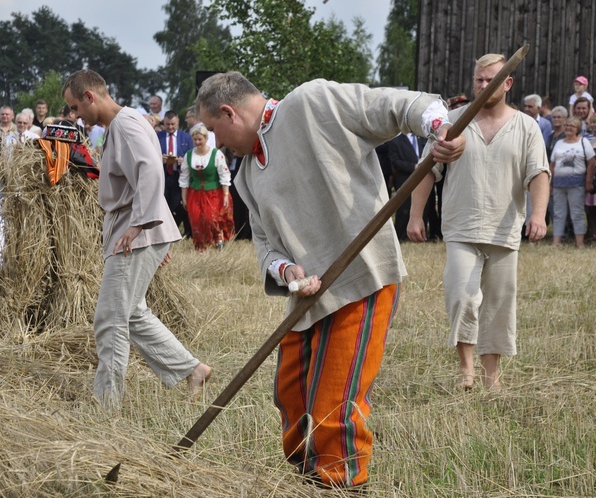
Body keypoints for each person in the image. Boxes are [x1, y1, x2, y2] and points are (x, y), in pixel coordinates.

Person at [196, 71, 465, 489]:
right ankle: (306, 476)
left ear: (229, 112)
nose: (217, 142)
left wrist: (440, 129)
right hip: (307, 297)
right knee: (290, 394)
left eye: (215, 130)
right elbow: (266, 245)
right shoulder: (247, 174)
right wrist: (287, 271)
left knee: (334, 402)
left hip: (361, 275)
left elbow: (398, 105)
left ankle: (340, 484)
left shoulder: (311, 103)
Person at [61, 69, 211, 409]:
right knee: (131, 313)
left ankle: (106, 406)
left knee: (110, 318)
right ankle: (192, 370)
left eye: (75, 107)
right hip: (137, 229)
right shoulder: (123, 124)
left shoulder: (126, 125)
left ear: (90, 96)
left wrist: (140, 226)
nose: (76, 115)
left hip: (134, 230)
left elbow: (151, 169)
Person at [408, 53, 550, 391]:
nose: (484, 86)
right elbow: (426, 170)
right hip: (461, 226)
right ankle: (466, 369)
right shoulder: (453, 123)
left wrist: (538, 214)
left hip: (504, 229)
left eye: (491, 80)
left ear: (508, 83)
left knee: (499, 303)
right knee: (461, 297)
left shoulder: (526, 126)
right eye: (479, 80)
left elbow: (539, 174)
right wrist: (415, 215)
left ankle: (491, 375)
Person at [179, 125, 234, 251]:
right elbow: (184, 178)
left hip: (213, 192)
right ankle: (201, 247)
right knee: (196, 220)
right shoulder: (189, 155)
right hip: (195, 193)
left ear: (206, 138)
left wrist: (225, 195)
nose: (197, 142)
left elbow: (224, 174)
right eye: (195, 140)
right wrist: (184, 197)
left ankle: (218, 239)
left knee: (211, 219)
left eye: (200, 139)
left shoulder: (216, 154)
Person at [549, 116, 595, 248]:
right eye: (567, 125)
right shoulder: (559, 143)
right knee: (558, 213)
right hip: (558, 184)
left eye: (572, 126)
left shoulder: (584, 142)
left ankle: (579, 243)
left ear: (578, 129)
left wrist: (588, 181)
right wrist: (550, 184)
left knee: (577, 213)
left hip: (576, 184)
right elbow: (552, 165)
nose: (568, 128)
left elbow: (591, 163)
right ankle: (556, 242)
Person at [157, 111, 193, 237]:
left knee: (179, 205)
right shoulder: (157, 136)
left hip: (180, 176)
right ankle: (164, 233)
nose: (170, 127)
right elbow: (151, 154)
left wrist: (184, 160)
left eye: (173, 124)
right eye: (167, 124)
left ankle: (183, 232)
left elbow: (192, 155)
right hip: (163, 176)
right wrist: (159, 158)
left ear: (178, 121)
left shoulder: (186, 137)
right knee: (163, 204)